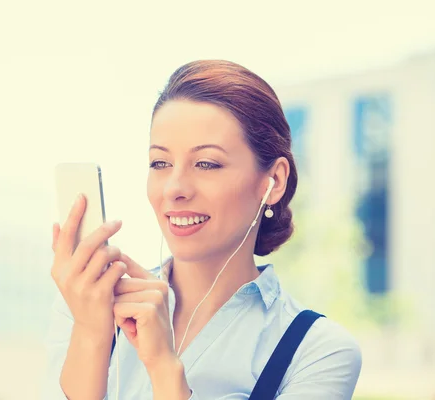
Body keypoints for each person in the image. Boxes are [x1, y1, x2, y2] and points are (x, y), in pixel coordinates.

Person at [44, 60, 362, 399]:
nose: (175, 188)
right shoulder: (87, 306)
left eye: (206, 164)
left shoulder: (317, 352)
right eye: (161, 163)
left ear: (274, 182)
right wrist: (92, 335)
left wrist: (164, 368)